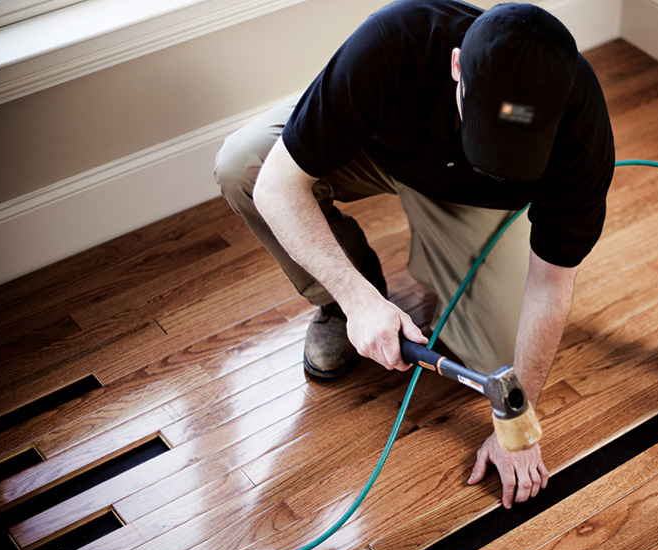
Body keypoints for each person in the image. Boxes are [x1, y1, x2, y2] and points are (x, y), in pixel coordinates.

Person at [214, 0, 614, 509]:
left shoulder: (583, 138)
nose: (501, 145)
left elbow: (552, 283)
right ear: (456, 68)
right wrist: (358, 301)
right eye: (491, 131)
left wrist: (518, 426)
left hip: (475, 202)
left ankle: (438, 258)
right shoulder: (393, 42)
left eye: (520, 141)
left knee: (497, 362)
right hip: (376, 150)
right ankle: (339, 303)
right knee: (243, 164)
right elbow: (276, 186)